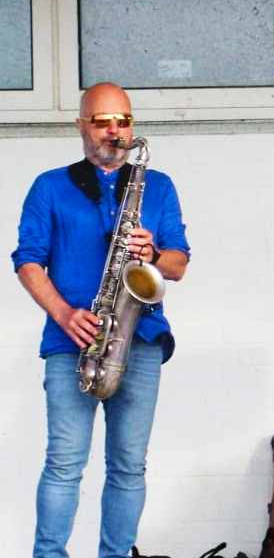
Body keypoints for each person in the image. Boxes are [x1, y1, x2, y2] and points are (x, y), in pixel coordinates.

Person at [12, 82, 190, 558]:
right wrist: (64, 313)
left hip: (141, 339)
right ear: (80, 125)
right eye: (103, 120)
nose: (115, 130)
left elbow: (178, 264)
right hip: (74, 340)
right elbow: (27, 260)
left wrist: (152, 253)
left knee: (129, 466)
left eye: (124, 121)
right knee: (64, 463)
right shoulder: (50, 186)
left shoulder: (159, 186)